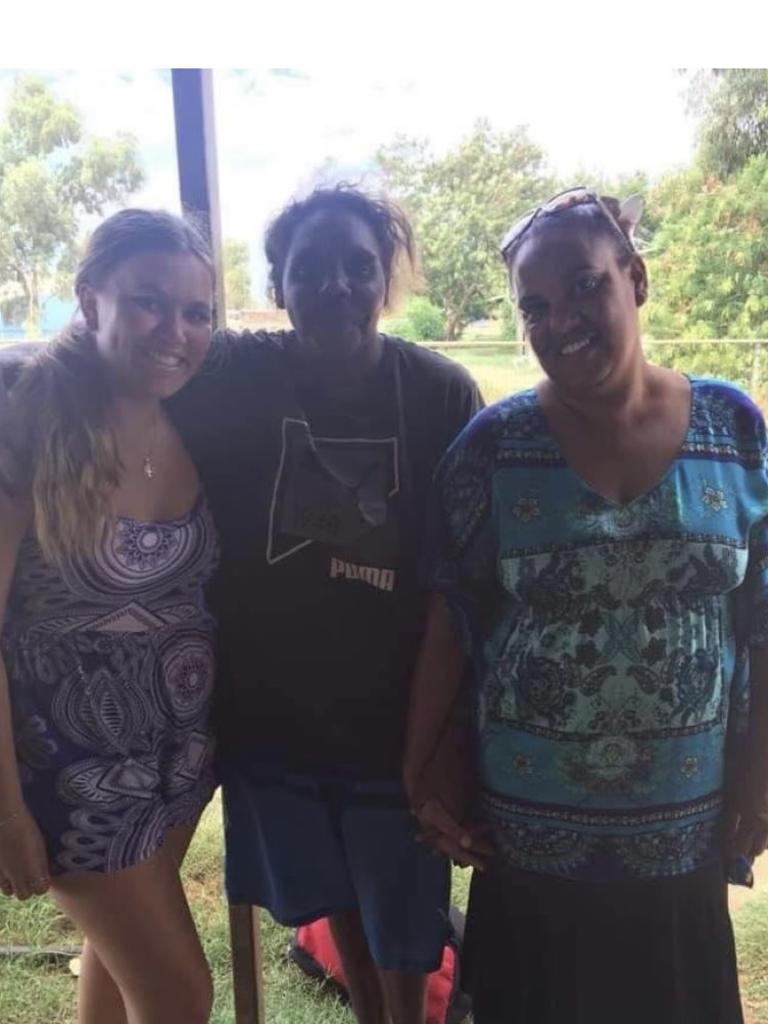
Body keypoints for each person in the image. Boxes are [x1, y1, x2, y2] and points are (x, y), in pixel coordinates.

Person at [404, 188, 768, 1024]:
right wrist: (421, 773)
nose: (559, 319)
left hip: (682, 831)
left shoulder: (734, 428)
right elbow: (448, 624)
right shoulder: (492, 449)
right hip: (529, 836)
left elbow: (761, 616)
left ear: (634, 279)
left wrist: (759, 772)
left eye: (584, 286)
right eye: (535, 306)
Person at [168, 185, 483, 1024]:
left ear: (387, 280)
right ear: (278, 283)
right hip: (277, 726)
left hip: (399, 731)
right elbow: (121, 357)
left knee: (410, 933)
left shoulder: (440, 393)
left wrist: (448, 736)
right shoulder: (235, 372)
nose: (335, 284)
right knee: (340, 907)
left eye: (358, 265)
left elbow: (466, 581)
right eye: (310, 268)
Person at [0, 209, 218, 1024]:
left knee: (118, 971)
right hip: (70, 777)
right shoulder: (25, 412)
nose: (176, 330)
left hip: (179, 762)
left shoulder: (189, 416)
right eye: (149, 302)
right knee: (177, 995)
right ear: (90, 299)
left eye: (196, 312)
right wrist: (5, 809)